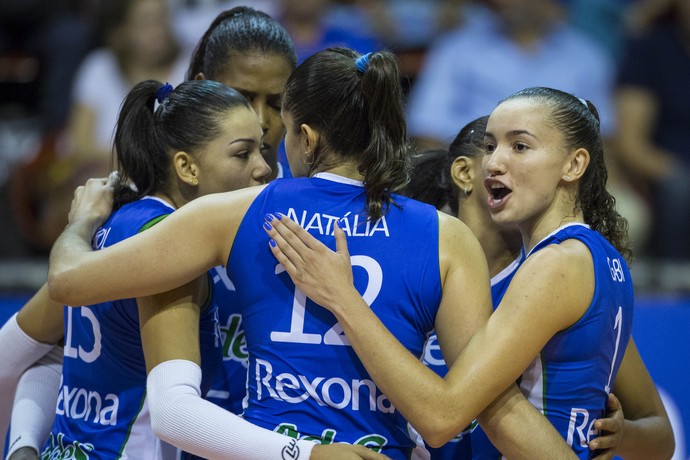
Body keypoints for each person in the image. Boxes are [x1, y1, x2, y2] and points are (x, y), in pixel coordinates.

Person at [47, 49, 576, 459]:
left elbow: (68, 282)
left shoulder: (236, 212)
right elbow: (465, 415)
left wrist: (82, 224)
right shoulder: (446, 236)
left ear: (303, 135)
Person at [260, 86, 649, 458]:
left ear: (575, 164)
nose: (495, 163)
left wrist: (343, 297)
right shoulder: (601, 257)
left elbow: (443, 416)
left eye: (520, 146)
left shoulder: (555, 263)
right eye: (491, 146)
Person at [404, 116, 674, 459]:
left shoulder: (555, 283)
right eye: (490, 148)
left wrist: (619, 435)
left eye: (520, 148)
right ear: (464, 173)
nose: (503, 162)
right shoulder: (412, 274)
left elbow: (661, 436)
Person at [186, 6, 297, 182]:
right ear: (202, 92)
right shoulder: (159, 207)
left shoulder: (309, 203)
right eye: (241, 99)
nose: (260, 121)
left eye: (276, 104)